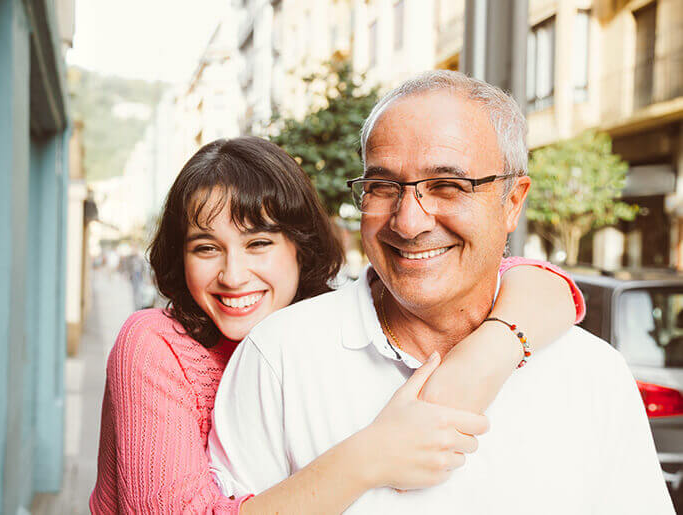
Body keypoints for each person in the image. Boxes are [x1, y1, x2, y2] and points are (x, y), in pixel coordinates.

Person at [208, 73, 675, 514]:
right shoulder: (280, 358)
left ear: (513, 201)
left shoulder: (592, 375)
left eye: (448, 186)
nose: (409, 222)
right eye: (382, 186)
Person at [90, 136, 582, 514]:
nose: (232, 275)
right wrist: (372, 454)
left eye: (258, 244)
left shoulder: (316, 332)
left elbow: (529, 278)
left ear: (299, 246)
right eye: (205, 247)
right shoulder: (154, 344)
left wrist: (491, 349)